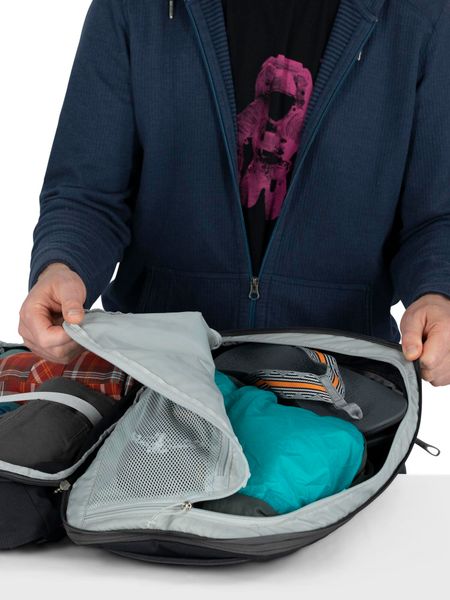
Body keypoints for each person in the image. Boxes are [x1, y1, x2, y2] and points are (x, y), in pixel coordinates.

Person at [19, 0, 450, 388]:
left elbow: (437, 216)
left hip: (343, 387)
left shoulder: (422, 15)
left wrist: (436, 294)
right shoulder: (134, 9)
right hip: (156, 379)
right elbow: (87, 193)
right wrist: (63, 267)